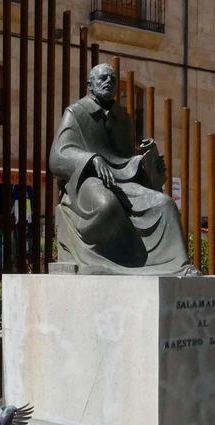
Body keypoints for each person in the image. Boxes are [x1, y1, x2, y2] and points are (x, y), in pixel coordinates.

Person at [49, 63, 197, 275]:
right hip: (86, 181)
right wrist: (91, 159)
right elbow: (57, 156)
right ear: (89, 84)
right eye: (102, 78)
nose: (108, 81)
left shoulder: (124, 119)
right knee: (107, 205)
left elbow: (125, 162)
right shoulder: (76, 113)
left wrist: (148, 165)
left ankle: (176, 267)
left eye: (112, 78)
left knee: (165, 204)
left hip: (121, 183)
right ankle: (85, 240)